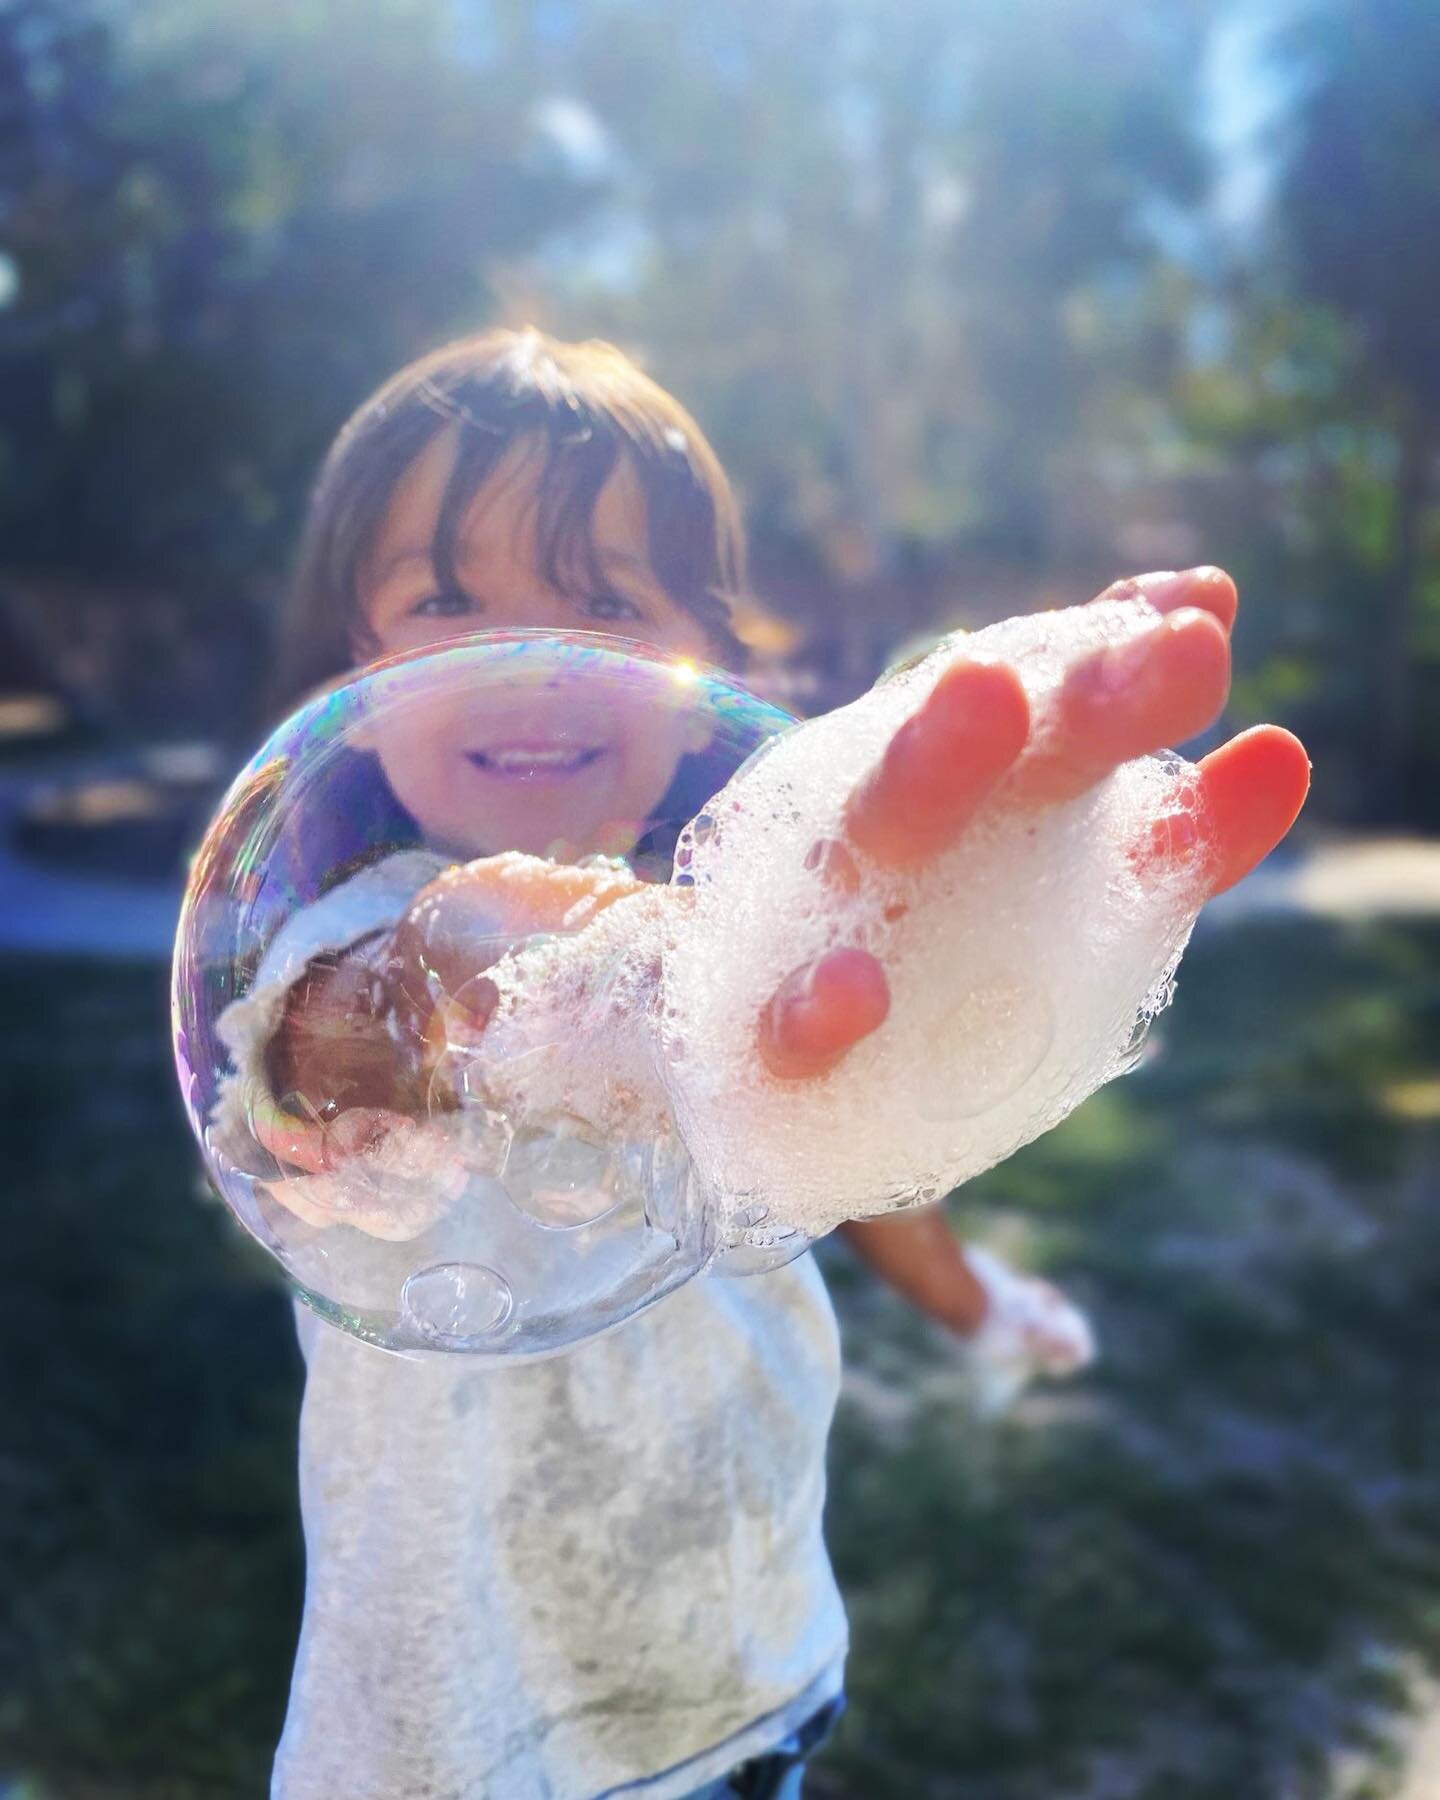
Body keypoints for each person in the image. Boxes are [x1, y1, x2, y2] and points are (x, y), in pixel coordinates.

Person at [243, 327, 1308, 1798]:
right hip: (461, 1740)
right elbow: (358, 1031)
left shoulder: (756, 930)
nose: (527, 657)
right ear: (361, 663)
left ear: (699, 667)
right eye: (446, 598)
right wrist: (615, 1002)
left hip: (747, 1676)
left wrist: (974, 1297)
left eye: (602, 598)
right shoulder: (335, 935)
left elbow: (861, 1173)